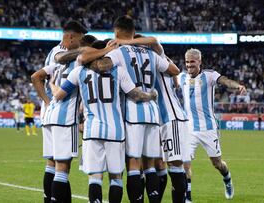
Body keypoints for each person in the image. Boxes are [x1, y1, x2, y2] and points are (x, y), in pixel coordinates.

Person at [79, 16, 180, 203]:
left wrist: (90, 57)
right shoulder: (151, 53)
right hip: (152, 113)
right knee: (150, 164)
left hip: (133, 113)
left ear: (117, 33)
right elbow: (174, 71)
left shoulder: (119, 52)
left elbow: (100, 66)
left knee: (134, 163)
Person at [50, 40, 158, 203]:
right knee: (116, 177)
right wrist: (152, 95)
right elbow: (136, 95)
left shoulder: (79, 72)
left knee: (95, 177)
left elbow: (58, 96)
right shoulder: (118, 70)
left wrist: (51, 84)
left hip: (92, 130)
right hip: (116, 130)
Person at [177, 48, 247, 202]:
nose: (189, 66)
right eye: (187, 62)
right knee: (185, 163)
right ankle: (188, 198)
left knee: (217, 163)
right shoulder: (181, 77)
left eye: (192, 62)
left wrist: (237, 86)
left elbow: (225, 81)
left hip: (208, 128)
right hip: (189, 128)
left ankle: (227, 179)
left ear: (199, 62)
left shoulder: (209, 75)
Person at [31, 20, 87, 203]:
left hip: (50, 114)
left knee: (52, 163)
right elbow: (59, 60)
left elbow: (38, 76)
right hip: (62, 113)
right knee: (62, 166)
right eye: (80, 39)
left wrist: (47, 104)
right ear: (71, 37)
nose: (82, 42)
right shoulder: (61, 52)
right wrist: (88, 49)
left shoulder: (58, 53)